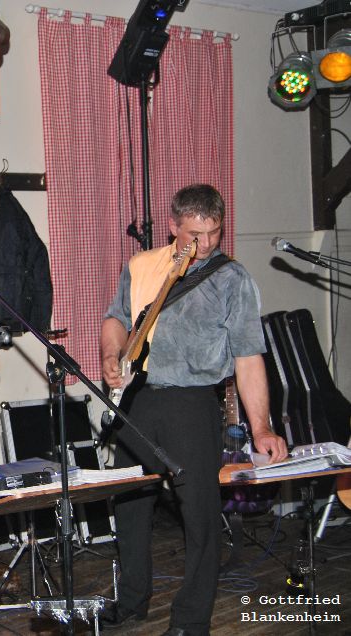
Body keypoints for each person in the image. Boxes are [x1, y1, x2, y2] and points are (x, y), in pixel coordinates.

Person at [99, 185, 287, 636]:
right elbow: (116, 318)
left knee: (199, 513)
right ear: (172, 226)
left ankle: (191, 620)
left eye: (214, 233)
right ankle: (131, 600)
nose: (204, 244)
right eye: (193, 235)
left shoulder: (232, 279)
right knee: (130, 505)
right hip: (138, 399)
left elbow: (248, 357)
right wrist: (110, 353)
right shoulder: (142, 265)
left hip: (192, 401)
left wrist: (262, 427)